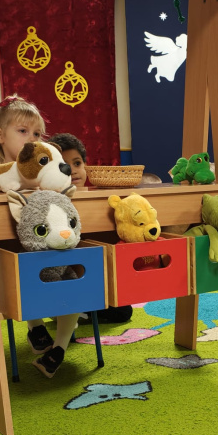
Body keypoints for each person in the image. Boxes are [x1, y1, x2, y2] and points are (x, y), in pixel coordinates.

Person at [0, 96, 80, 357]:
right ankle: (35, 324)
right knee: (17, 268)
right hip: (18, 268)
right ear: (0, 135)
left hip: (54, 253)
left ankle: (60, 342)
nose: (31, 139)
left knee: (71, 268)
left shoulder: (47, 177)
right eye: (22, 131)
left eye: (37, 134)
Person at [47, 131, 134, 327]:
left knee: (123, 311)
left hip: (94, 279)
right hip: (65, 278)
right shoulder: (51, 200)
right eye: (64, 165)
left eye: (77, 163)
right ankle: (68, 311)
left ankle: (84, 313)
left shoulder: (96, 197)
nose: (73, 170)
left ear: (86, 165)